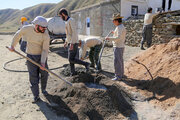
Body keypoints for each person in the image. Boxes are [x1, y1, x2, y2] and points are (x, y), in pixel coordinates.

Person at [8, 16, 50, 103]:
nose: (44, 30)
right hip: (30, 56)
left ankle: (44, 90)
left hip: (41, 56)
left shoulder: (46, 34)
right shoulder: (27, 29)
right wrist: (12, 46)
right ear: (36, 25)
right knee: (33, 76)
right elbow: (18, 34)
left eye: (45, 28)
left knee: (44, 74)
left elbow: (45, 49)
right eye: (42, 28)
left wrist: (42, 62)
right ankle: (36, 95)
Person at [58, 8, 90, 76]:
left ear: (63, 14)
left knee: (71, 59)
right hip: (70, 42)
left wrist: (72, 43)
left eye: (60, 16)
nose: (60, 17)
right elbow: (68, 34)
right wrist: (66, 42)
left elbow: (74, 32)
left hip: (74, 43)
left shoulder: (71, 20)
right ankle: (73, 73)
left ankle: (86, 64)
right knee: (71, 60)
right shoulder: (67, 21)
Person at [105, 13, 126, 81]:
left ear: (117, 21)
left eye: (114, 20)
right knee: (120, 61)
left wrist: (109, 38)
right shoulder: (120, 26)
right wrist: (114, 32)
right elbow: (119, 34)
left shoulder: (119, 27)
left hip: (118, 46)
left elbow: (118, 37)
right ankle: (121, 74)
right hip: (120, 46)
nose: (113, 22)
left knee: (117, 62)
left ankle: (118, 76)